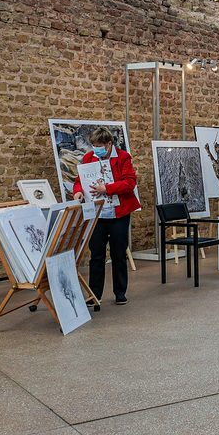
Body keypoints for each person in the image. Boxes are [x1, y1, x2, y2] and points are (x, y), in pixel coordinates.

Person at [73, 127, 141, 305]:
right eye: (94, 145)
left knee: (119, 253)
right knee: (96, 255)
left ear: (109, 144)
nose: (96, 149)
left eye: (100, 145)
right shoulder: (88, 158)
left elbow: (129, 182)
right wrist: (78, 192)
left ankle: (120, 292)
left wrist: (107, 189)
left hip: (119, 214)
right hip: (97, 215)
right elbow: (79, 181)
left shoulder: (123, 157)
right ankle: (94, 294)